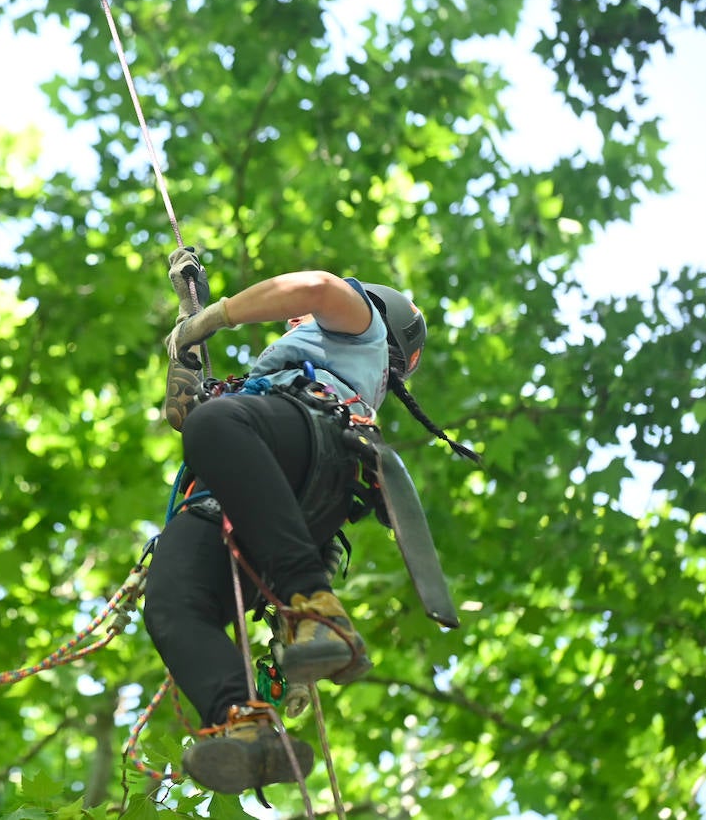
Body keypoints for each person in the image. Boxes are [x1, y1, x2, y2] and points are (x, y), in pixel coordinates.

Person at [144, 247, 480, 796]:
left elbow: (318, 286)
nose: (289, 321)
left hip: (311, 440)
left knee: (217, 424)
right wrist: (189, 333)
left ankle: (314, 607)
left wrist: (216, 315)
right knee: (171, 602)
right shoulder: (266, 383)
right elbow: (188, 416)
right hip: (256, 495)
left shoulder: (360, 328)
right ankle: (242, 724)